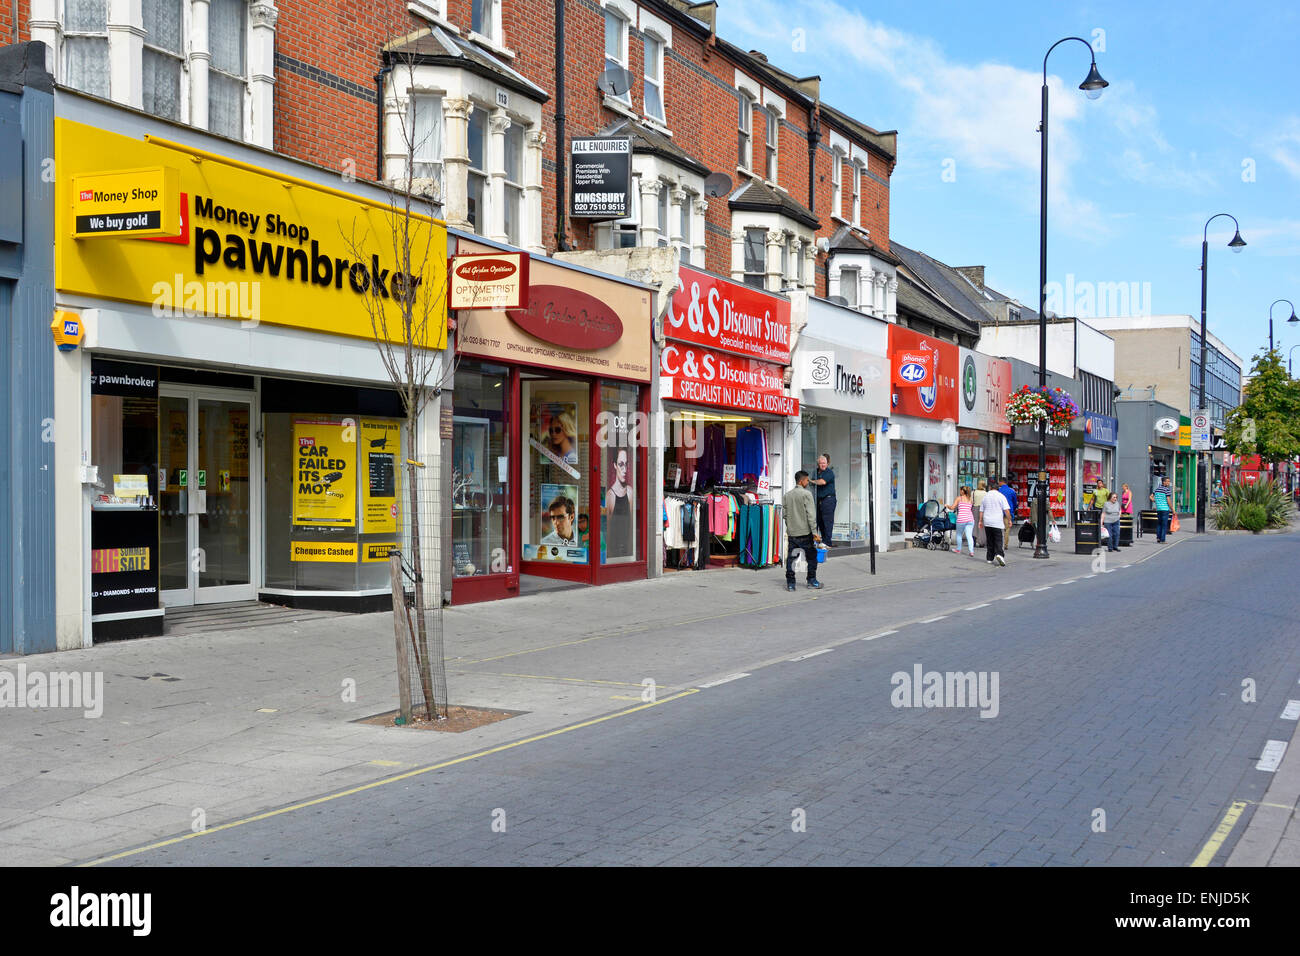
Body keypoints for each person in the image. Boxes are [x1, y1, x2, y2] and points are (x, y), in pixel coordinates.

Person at [784, 470, 822, 591]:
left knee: (791, 558)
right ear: (801, 481)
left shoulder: (787, 495)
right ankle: (811, 580)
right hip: (805, 533)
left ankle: (791, 583)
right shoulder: (806, 494)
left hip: (792, 533)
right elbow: (811, 515)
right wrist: (815, 532)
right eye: (806, 480)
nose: (807, 482)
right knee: (811, 557)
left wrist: (789, 526)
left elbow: (785, 514)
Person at [601, 449, 633, 558]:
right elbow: (607, 530)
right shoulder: (610, 496)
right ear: (615, 465)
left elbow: (631, 527)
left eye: (626, 464)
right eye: (621, 464)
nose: (624, 469)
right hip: (613, 552)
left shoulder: (630, 492)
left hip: (626, 552)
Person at [978, 481, 1011, 566]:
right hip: (997, 522)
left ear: (990, 488)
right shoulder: (1001, 496)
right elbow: (1006, 510)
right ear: (998, 488)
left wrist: (980, 521)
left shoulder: (986, 496)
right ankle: (999, 554)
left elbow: (981, 510)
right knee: (998, 540)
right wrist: (1009, 520)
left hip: (987, 521)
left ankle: (989, 558)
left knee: (990, 540)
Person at [812, 454, 837, 547]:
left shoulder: (829, 472)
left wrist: (812, 481)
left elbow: (822, 482)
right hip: (819, 501)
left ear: (827, 464)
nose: (823, 465)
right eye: (821, 463)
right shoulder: (815, 472)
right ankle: (821, 540)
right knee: (819, 521)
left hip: (828, 500)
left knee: (827, 521)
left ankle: (827, 542)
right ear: (818, 463)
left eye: (824, 463)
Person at [950, 485, 976, 557]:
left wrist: (947, 506)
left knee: (959, 535)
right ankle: (971, 551)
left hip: (961, 519)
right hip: (970, 519)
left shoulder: (959, 498)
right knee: (969, 536)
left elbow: (952, 507)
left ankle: (958, 549)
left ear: (962, 491)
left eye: (960, 490)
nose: (959, 492)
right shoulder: (970, 499)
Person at [1151, 476, 1173, 542]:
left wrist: (1156, 501)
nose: (1169, 483)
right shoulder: (1167, 490)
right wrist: (1172, 509)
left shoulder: (1157, 489)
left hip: (1159, 509)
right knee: (1164, 525)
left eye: (1169, 481)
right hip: (1165, 509)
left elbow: (1151, 497)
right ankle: (1163, 539)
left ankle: (1158, 538)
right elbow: (1168, 500)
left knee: (1159, 524)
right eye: (1168, 481)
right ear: (1164, 482)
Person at [971, 479, 988, 548]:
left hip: (975, 509)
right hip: (983, 510)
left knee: (974, 525)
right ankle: (982, 542)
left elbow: (971, 501)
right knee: (982, 526)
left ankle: (974, 540)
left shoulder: (974, 492)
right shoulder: (986, 493)